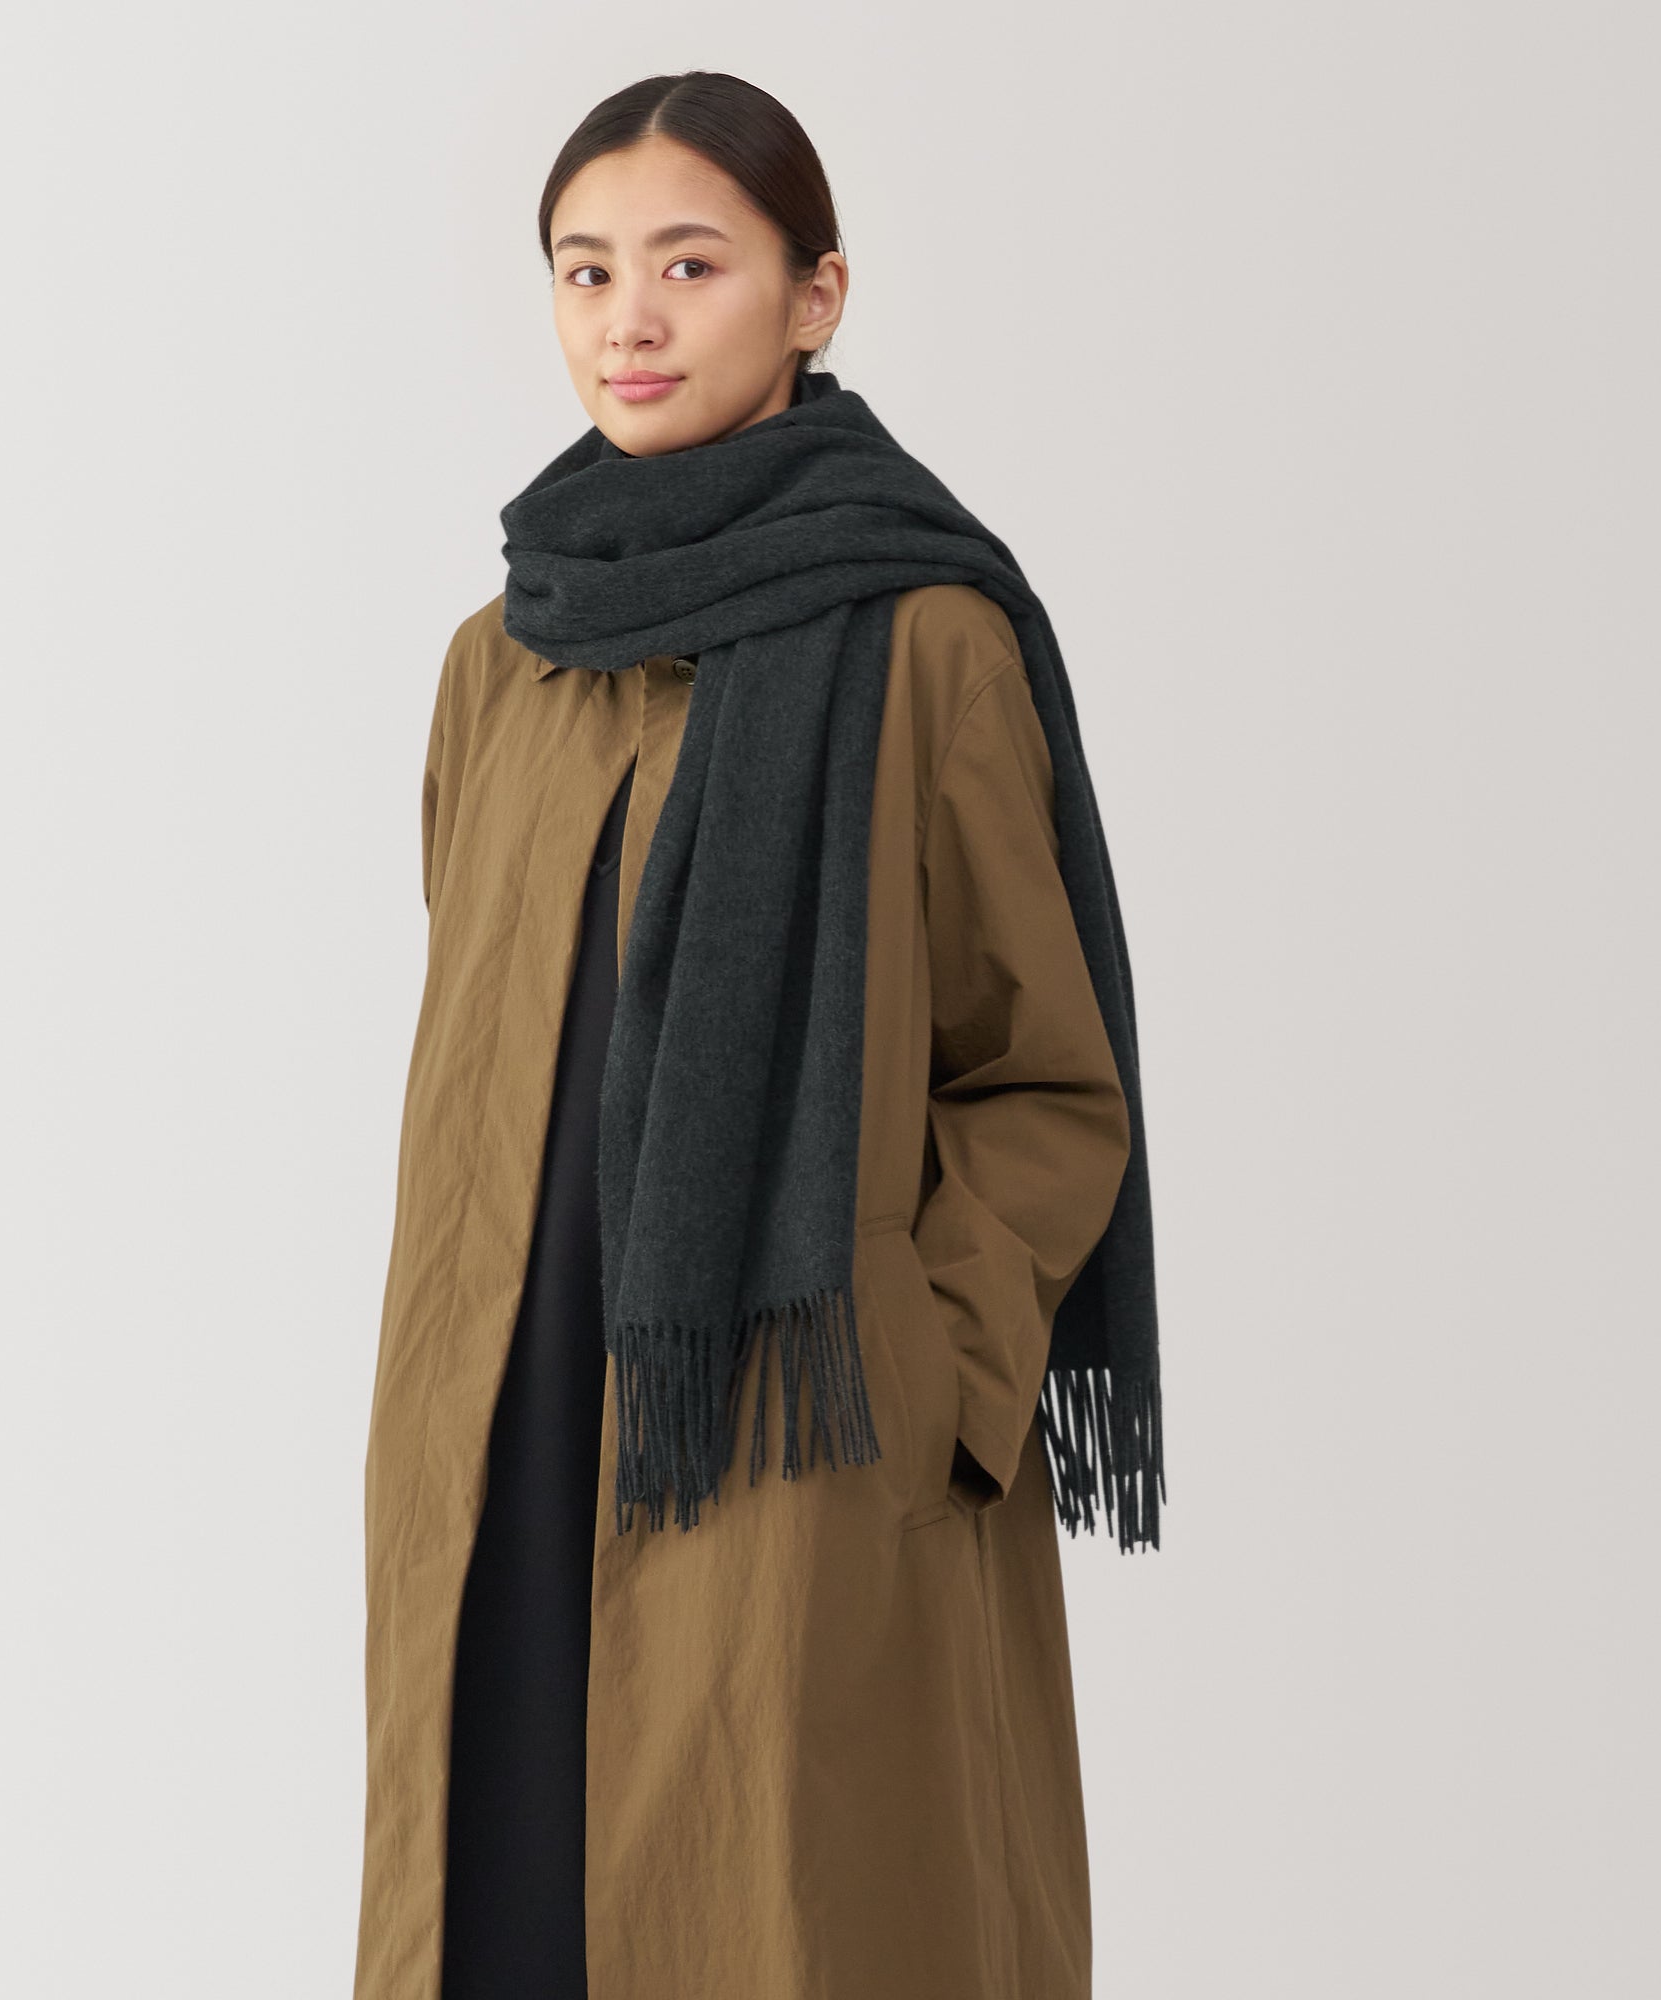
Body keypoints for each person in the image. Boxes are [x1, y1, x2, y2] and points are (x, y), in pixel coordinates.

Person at [355, 69, 1163, 2000]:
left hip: (797, 1430)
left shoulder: (929, 639)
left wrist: (925, 1361)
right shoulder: (504, 656)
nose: (627, 318)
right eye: (585, 270)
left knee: (784, 1913)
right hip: (503, 1399)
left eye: (689, 265)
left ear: (816, 294)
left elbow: (1046, 1082)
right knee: (500, 1906)